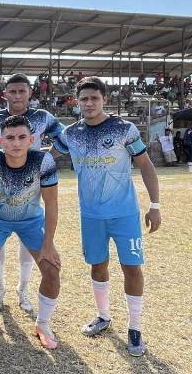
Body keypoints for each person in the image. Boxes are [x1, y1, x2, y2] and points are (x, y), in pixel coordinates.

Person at [53, 76, 161, 357]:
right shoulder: (70, 133)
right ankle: (103, 316)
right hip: (91, 215)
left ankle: (135, 328)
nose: (89, 103)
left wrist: (155, 205)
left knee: (132, 268)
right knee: (97, 265)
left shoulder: (124, 128)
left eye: (94, 98)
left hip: (124, 214)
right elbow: (47, 158)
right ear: (76, 102)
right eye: (84, 99)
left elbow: (146, 165)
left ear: (104, 100)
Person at [0, 115, 61, 347]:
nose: (16, 143)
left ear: (31, 139)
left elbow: (51, 205)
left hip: (31, 220)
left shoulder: (43, 162)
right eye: (10, 138)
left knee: (51, 269)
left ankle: (42, 324)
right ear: (0, 141)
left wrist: (48, 243)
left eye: (22, 137)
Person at [0, 74, 65, 313]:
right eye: (13, 92)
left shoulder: (43, 117)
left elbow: (65, 137)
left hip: (30, 183)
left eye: (22, 91)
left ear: (30, 93)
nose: (17, 96)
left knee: (27, 235)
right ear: (5, 94)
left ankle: (23, 289)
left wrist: (45, 159)